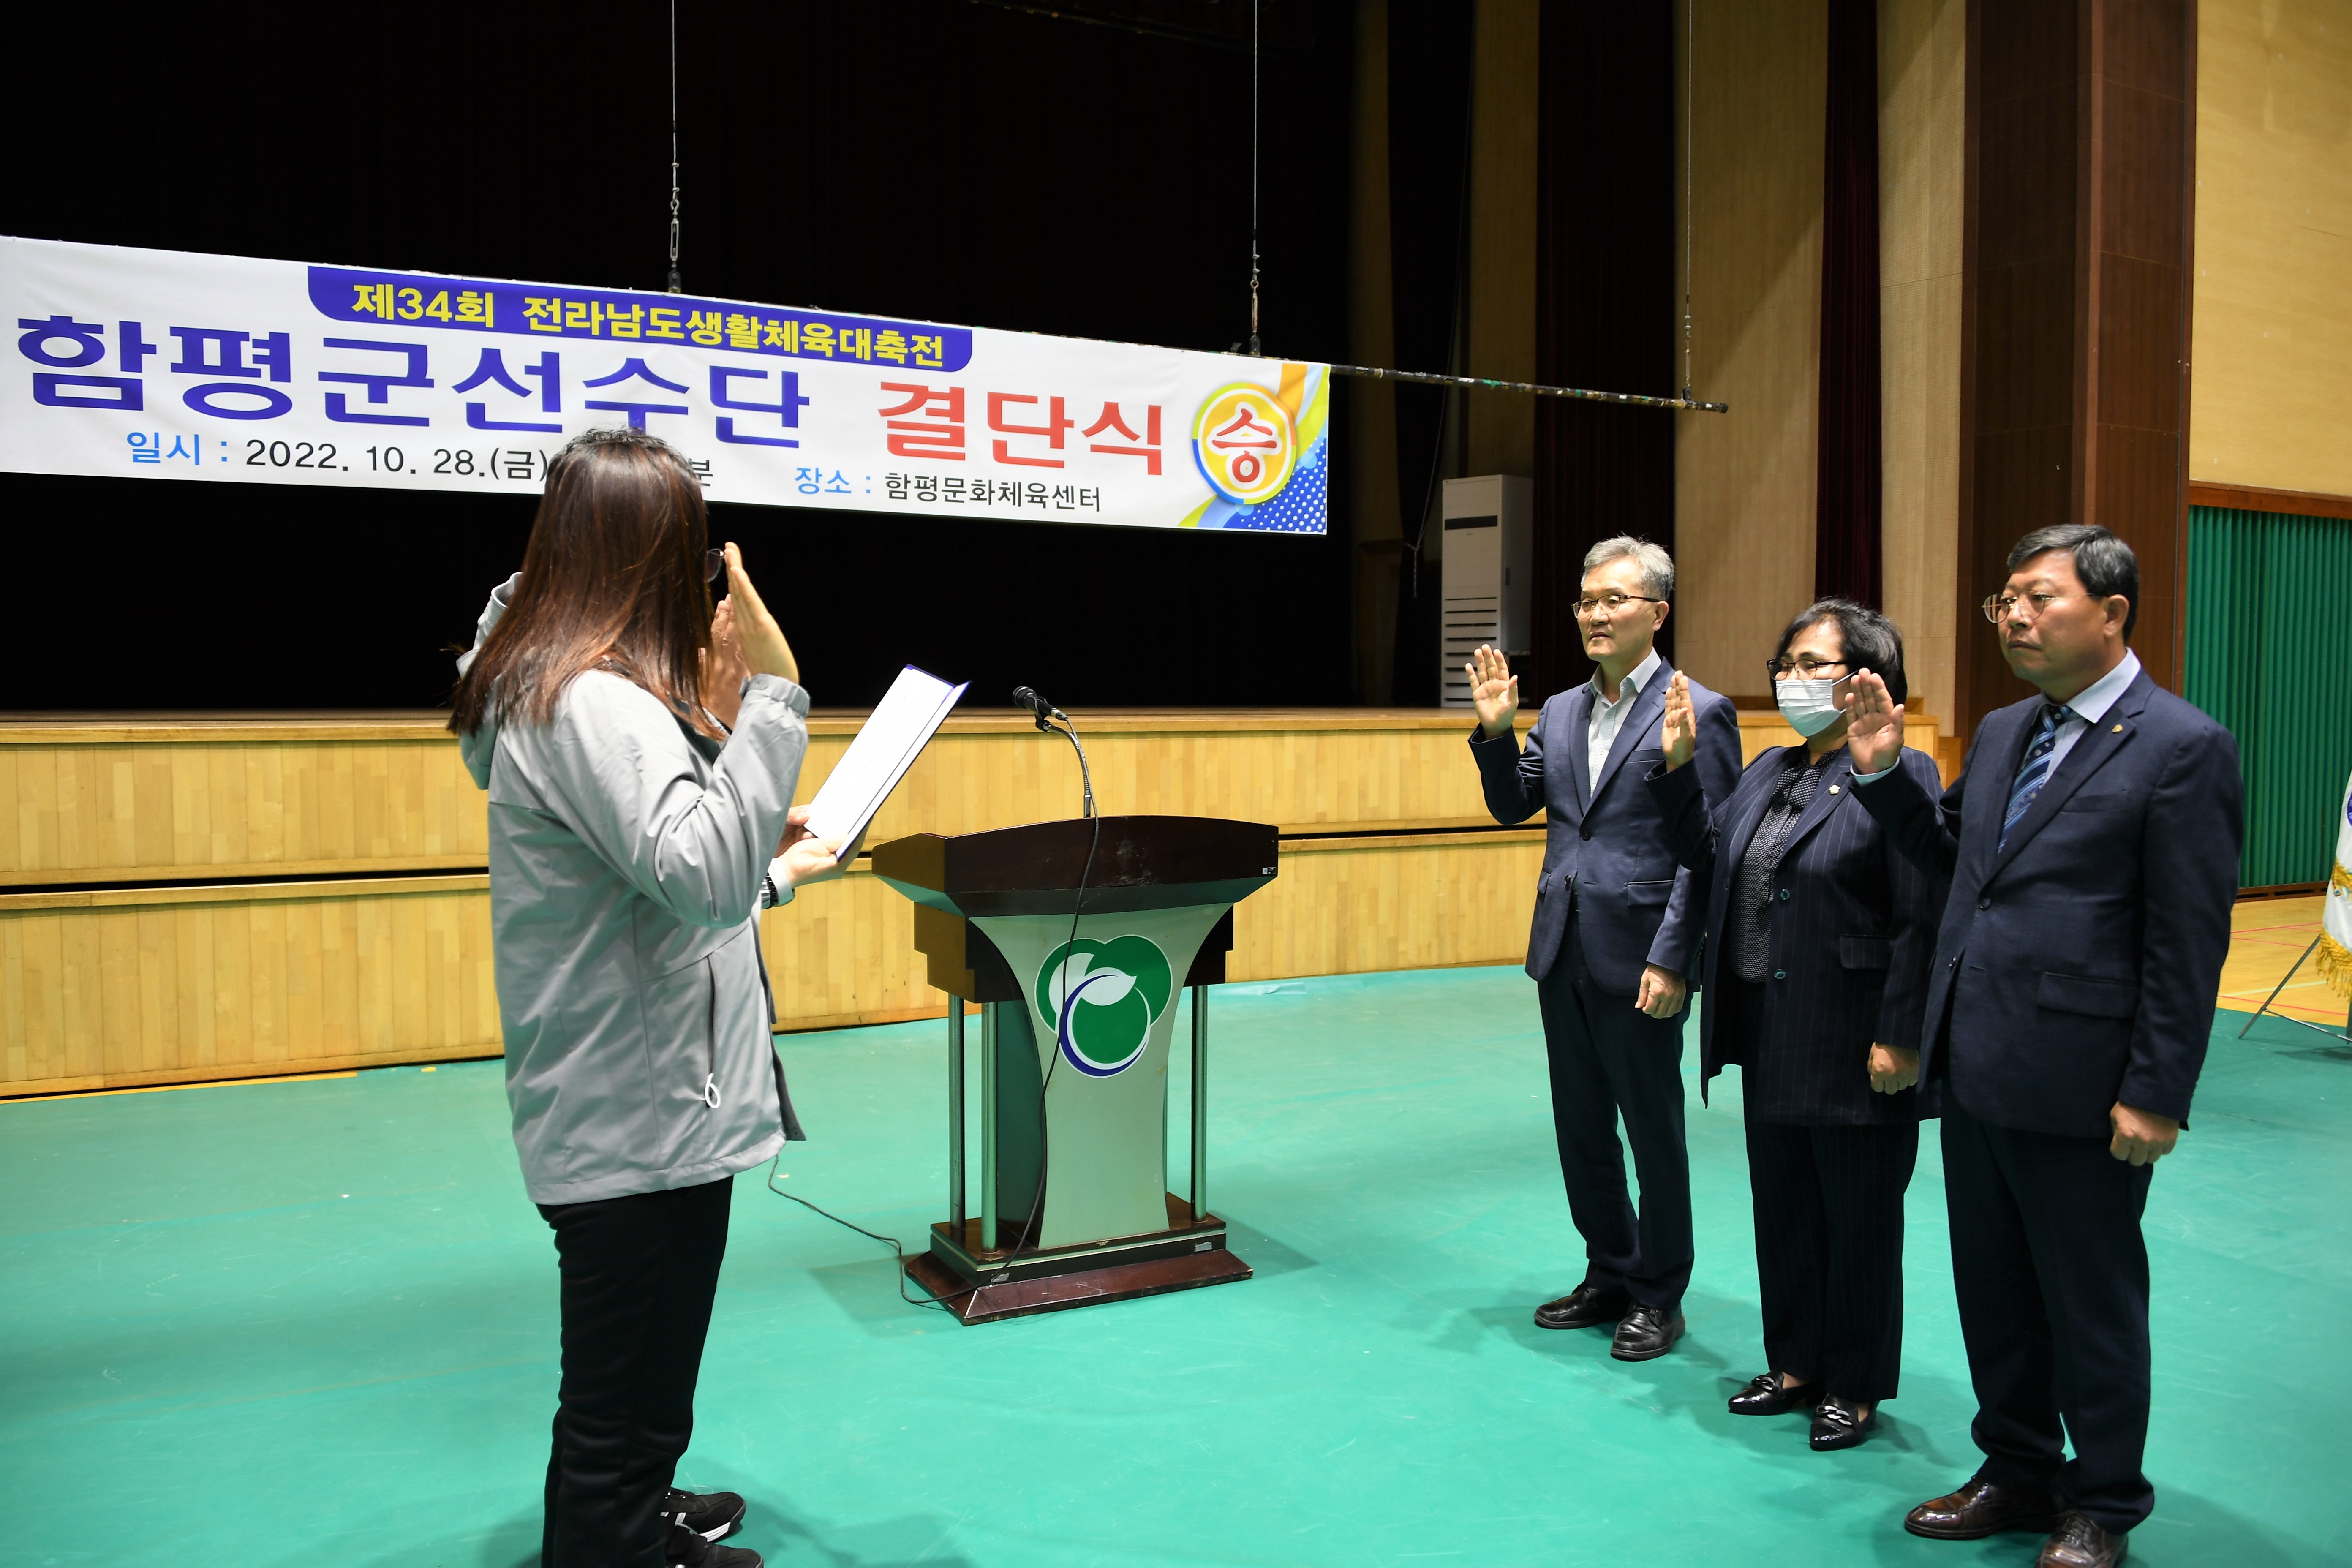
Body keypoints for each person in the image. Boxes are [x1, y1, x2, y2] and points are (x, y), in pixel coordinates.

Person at [450, 427, 847, 1568]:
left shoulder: (568, 683)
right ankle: (605, 1538)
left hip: (651, 1093)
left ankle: (636, 1499)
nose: (697, 576)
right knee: (622, 1366)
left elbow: (665, 864)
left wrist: (742, 801)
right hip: (632, 1103)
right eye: (683, 545)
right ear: (642, 557)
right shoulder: (587, 702)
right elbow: (701, 878)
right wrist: (771, 697)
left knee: (652, 1355)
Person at [1844, 525, 2242, 1568]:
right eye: (2004, 600)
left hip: (2085, 1078)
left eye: (2038, 597)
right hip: (1977, 1060)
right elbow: (1952, 864)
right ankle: (2015, 1468)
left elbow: (2187, 935)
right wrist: (1888, 778)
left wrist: (2156, 1089)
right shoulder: (2009, 724)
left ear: (2113, 613)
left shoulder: (2181, 744)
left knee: (2090, 1297)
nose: (2015, 616)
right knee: (1996, 1286)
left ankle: (2103, 1500)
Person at [1647, 599, 1945, 1450]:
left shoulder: (1902, 773)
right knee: (1783, 1208)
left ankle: (1853, 1382)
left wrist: (1902, 1029)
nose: (1795, 676)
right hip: (1769, 1027)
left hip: (1855, 1035)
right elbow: (1710, 861)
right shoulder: (1768, 767)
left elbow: (1921, 911)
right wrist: (1677, 773)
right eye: (1789, 660)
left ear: (1868, 677)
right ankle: (1796, 1363)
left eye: (1818, 662)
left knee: (1858, 1220)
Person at [1466, 536, 1741, 1361]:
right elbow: (1516, 805)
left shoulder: (1700, 708)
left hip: (1643, 954)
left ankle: (1661, 1292)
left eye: (1613, 599)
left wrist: (1675, 956)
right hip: (1564, 945)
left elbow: (1710, 847)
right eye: (1586, 600)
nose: (1593, 613)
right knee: (1582, 1126)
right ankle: (1609, 1269)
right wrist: (1495, 733)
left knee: (1652, 1129)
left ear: (1657, 612)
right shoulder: (1557, 709)